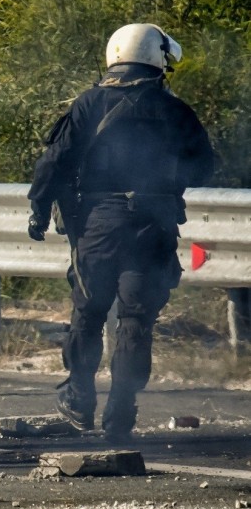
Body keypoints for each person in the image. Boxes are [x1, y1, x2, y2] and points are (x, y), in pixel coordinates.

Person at [27, 23, 215, 443]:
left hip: (99, 225)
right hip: (153, 223)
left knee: (89, 312)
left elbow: (55, 160)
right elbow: (205, 165)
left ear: (115, 55)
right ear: (156, 58)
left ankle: (79, 401)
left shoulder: (89, 102)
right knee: (135, 319)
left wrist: (39, 207)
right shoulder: (175, 109)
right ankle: (121, 413)